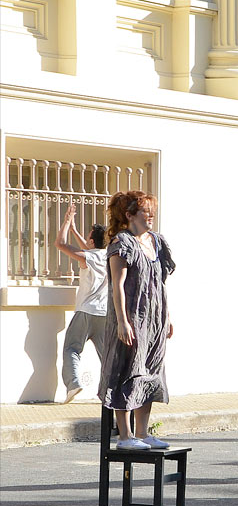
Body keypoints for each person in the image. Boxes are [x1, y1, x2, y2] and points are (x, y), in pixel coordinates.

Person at [97, 191, 175, 450]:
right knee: (127, 371)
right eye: (144, 210)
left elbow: (160, 284)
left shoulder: (157, 242)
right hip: (132, 319)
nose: (150, 215)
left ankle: (143, 433)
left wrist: (168, 316)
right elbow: (117, 286)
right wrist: (122, 321)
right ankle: (125, 436)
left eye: (152, 210)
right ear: (129, 215)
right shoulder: (122, 243)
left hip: (155, 321)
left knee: (151, 371)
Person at [54, 204, 107, 404]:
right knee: (107, 356)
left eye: (88, 236)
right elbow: (88, 248)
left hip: (86, 311)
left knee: (72, 349)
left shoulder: (88, 257)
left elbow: (60, 243)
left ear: (92, 240)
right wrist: (76, 230)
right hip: (105, 314)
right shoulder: (109, 256)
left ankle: (73, 383)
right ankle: (110, 390)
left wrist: (67, 222)